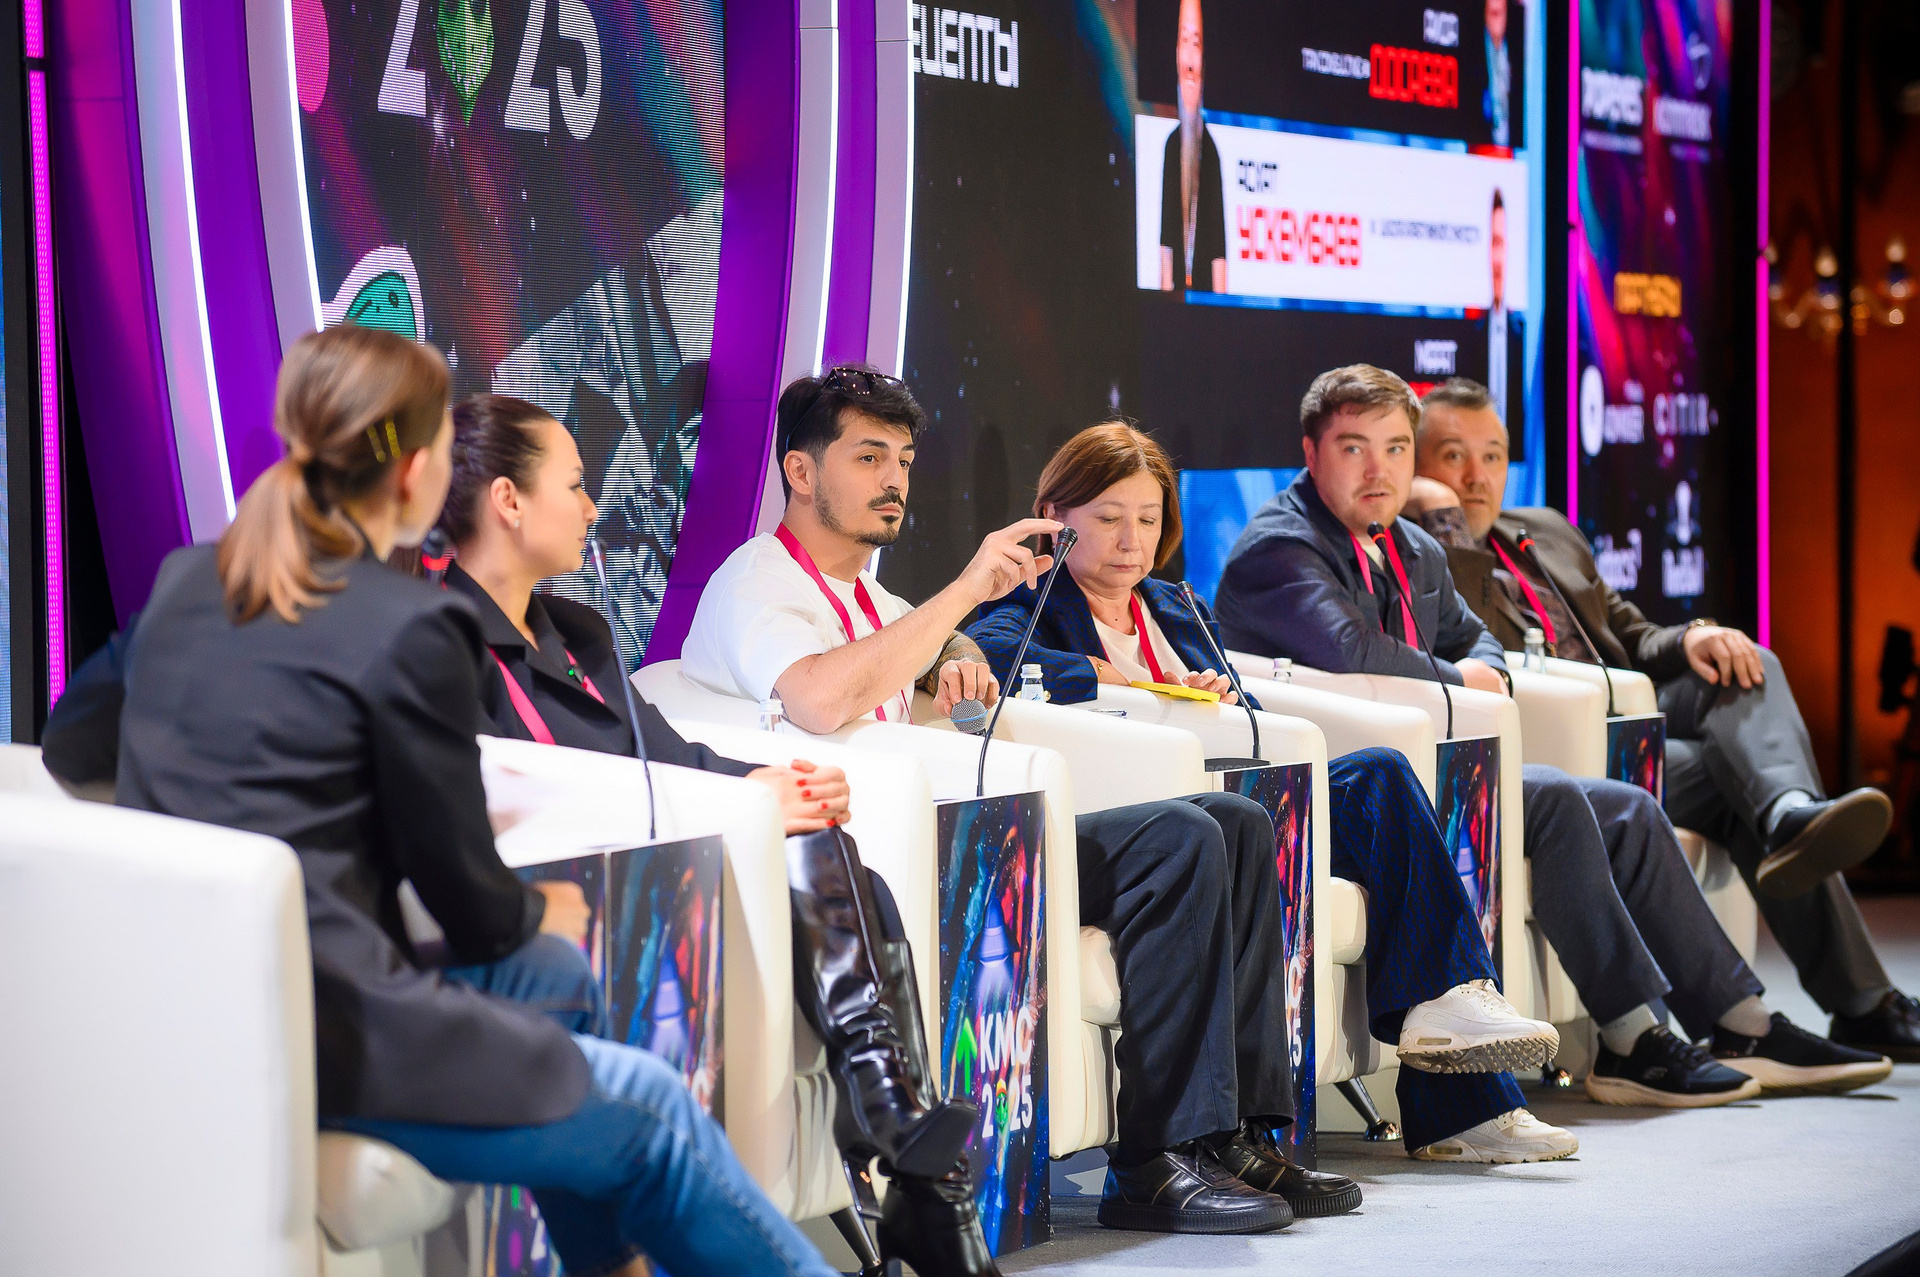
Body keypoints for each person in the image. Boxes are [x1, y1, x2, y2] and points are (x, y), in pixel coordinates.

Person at [39, 327, 836, 1277]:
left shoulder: (183, 584)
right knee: (655, 1109)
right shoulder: (414, 626)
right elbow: (470, 904)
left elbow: (72, 746)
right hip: (327, 1030)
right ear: (417, 472)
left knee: (556, 975)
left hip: (189, 1002)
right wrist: (537, 905)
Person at [682, 365, 1360, 1233]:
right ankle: (1152, 1162)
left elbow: (933, 656)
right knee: (1180, 837)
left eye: (904, 459)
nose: (894, 479)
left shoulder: (868, 592)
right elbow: (817, 697)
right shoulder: (756, 582)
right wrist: (966, 595)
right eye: (868, 456)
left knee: (1234, 821)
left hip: (955, 828)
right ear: (801, 470)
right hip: (871, 861)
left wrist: (956, 651)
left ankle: (1236, 1135)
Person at [1214, 363, 1893, 1105]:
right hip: (1352, 791)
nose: (1379, 470)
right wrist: (1463, 677)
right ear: (1311, 453)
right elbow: (1352, 650)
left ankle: (1741, 1022)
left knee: (1629, 808)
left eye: (1396, 448)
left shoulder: (1410, 546)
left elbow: (1477, 640)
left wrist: (1474, 670)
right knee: (1562, 800)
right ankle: (1633, 1038)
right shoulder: (1278, 548)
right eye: (1354, 448)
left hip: (1441, 766)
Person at [430, 392, 997, 1277]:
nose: (592, 507)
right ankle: (910, 1154)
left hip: (662, 863)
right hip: (564, 890)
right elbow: (497, 791)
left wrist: (761, 785)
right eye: (574, 486)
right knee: (810, 843)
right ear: (507, 501)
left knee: (814, 828)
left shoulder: (576, 633)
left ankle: (907, 1148)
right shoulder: (430, 643)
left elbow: (667, 753)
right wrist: (744, 802)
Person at [968, 421, 1573, 1164]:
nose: (1131, 540)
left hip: (1241, 800)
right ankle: (1461, 1097)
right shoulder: (1031, 601)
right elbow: (986, 653)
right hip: (1159, 830)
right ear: (1054, 517)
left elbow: (1247, 717)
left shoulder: (1175, 604)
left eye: (1148, 520)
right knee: (1338, 804)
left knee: (1379, 774)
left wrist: (1219, 699)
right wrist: (1111, 678)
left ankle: (1451, 1019)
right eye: (1109, 518)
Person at [1408, 376, 1920, 1062]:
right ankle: (1855, 1003)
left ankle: (1790, 813)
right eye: (1453, 456)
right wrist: (1444, 524)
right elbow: (1460, 639)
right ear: (1415, 464)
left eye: (1493, 456)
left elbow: (1631, 633)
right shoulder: (1416, 555)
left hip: (1632, 725)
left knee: (1747, 662)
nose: (1478, 477)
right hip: (1563, 753)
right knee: (1733, 783)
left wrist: (1696, 636)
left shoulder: (1544, 531)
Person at [1159, 0, 1226, 295]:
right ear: (1175, 52)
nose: (1189, 62)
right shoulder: (1171, 146)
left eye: (1195, 44)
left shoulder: (1210, 151)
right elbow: (1166, 240)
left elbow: (1219, 252)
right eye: (1183, 42)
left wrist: (1222, 310)